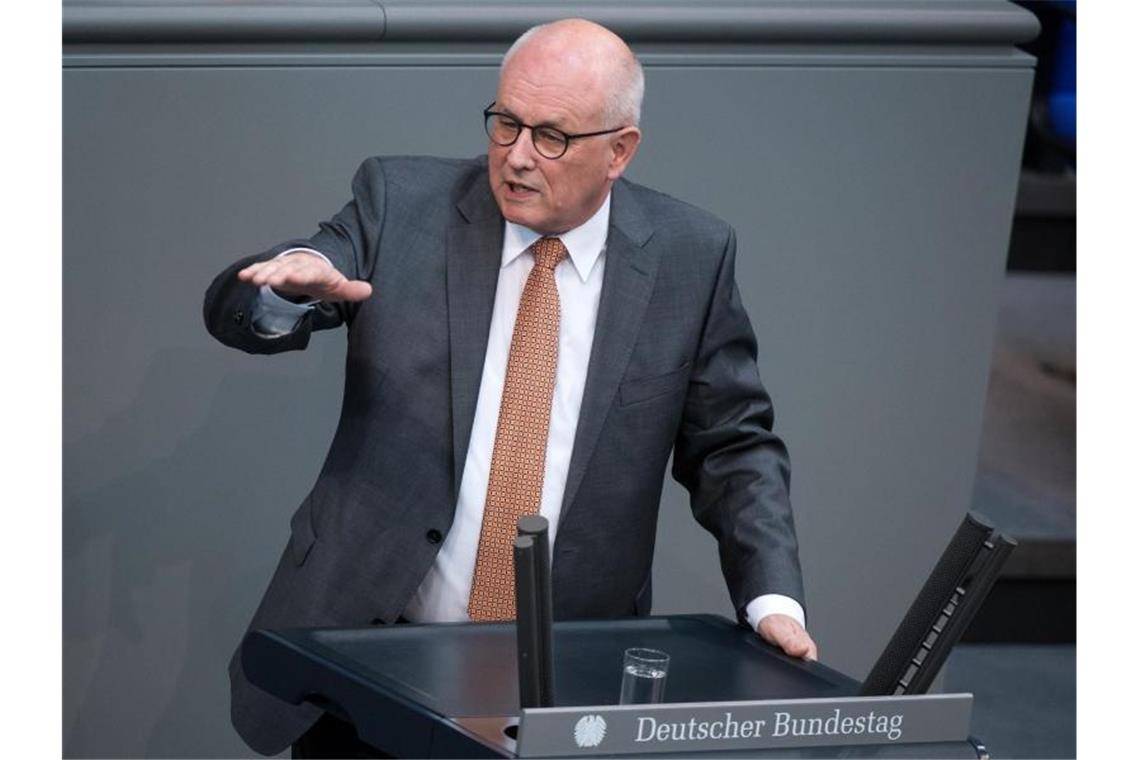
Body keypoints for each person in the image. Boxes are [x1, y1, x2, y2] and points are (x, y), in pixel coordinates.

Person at [205, 18, 817, 758]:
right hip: (370, 660)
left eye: (552, 136)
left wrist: (770, 595)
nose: (518, 157)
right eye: (506, 123)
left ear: (620, 150)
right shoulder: (403, 203)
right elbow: (262, 296)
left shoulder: (691, 256)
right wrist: (292, 286)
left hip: (564, 684)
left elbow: (733, 446)